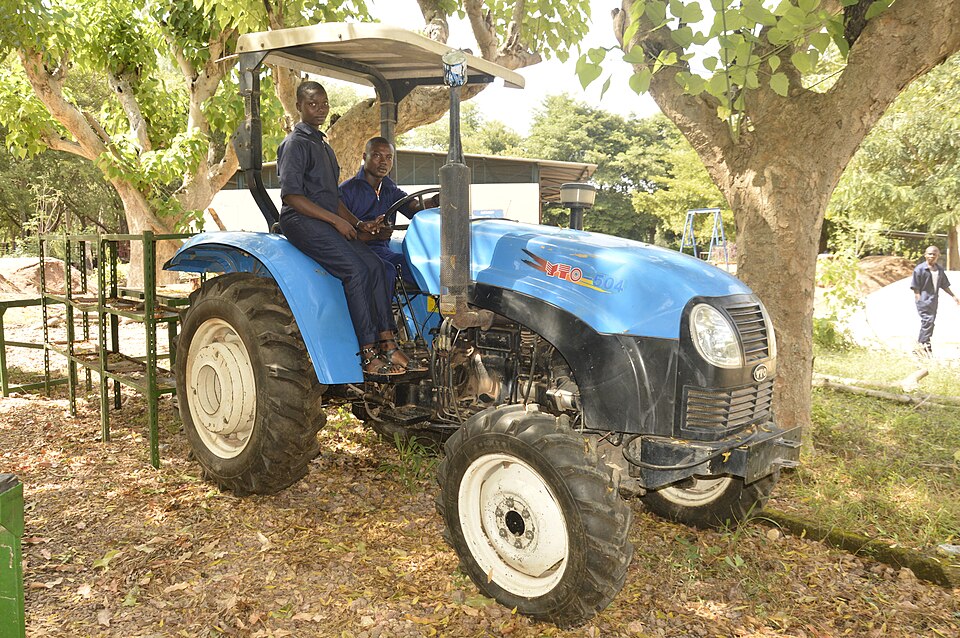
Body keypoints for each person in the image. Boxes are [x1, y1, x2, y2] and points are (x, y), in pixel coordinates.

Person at [277, 81, 411, 376]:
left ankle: (387, 342)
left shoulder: (322, 146)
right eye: (313, 103)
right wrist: (336, 221)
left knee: (377, 265)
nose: (320, 109)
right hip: (301, 220)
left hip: (325, 218)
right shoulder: (295, 144)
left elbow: (333, 199)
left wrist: (357, 222)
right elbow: (292, 196)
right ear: (299, 106)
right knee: (356, 270)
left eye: (324, 103)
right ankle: (366, 353)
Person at [339, 136, 439, 283]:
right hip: (358, 252)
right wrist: (375, 234)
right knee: (391, 270)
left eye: (389, 157)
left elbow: (413, 208)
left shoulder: (390, 189)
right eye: (377, 155)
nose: (383, 162)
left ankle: (451, 306)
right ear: (365, 157)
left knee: (436, 267)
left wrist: (436, 200)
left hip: (384, 251)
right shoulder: (347, 191)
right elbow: (340, 236)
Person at [910, 245, 960, 356]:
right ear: (925, 255)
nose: (931, 256)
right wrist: (919, 299)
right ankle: (923, 346)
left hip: (934, 300)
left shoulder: (939, 270)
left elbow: (944, 284)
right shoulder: (919, 269)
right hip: (923, 300)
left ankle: (923, 346)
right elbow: (915, 287)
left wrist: (953, 296)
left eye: (934, 254)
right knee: (928, 321)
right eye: (929, 254)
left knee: (929, 323)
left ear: (938, 255)